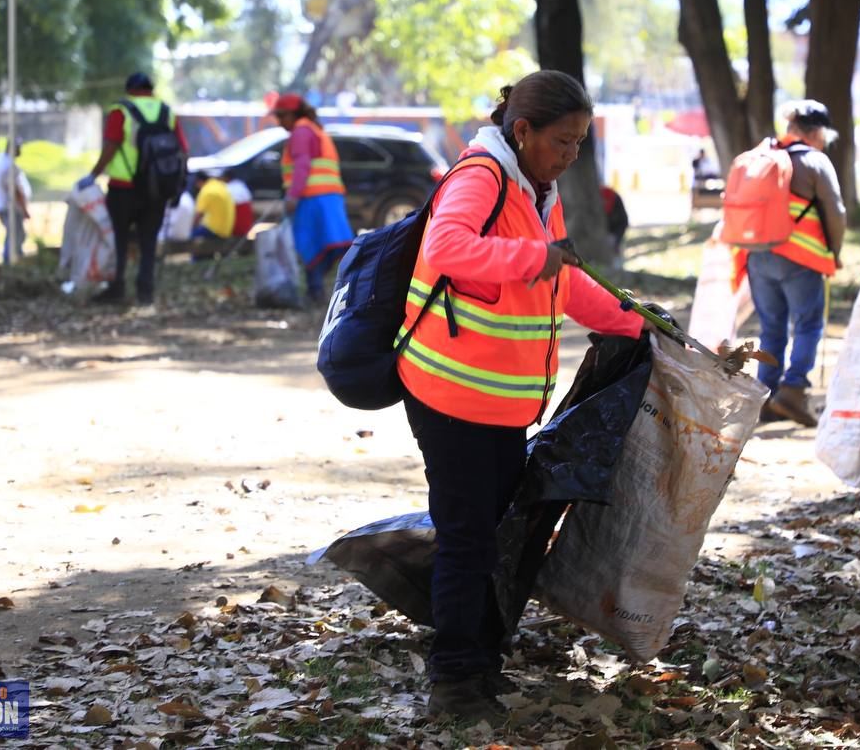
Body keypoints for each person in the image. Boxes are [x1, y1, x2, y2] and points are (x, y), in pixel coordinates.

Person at [396, 71, 644, 725]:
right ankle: (453, 678)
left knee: (490, 533)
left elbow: (563, 283)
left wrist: (637, 322)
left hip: (499, 404)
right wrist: (532, 258)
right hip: (450, 394)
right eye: (560, 141)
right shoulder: (483, 176)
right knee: (467, 535)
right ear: (523, 130)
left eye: (579, 144)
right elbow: (450, 247)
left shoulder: (540, 189)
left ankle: (480, 663)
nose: (569, 155)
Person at [746, 100, 846, 427]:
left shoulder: (764, 157)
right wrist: (835, 251)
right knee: (808, 324)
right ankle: (793, 390)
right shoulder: (815, 161)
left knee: (771, 328)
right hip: (799, 259)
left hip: (758, 257)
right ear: (817, 133)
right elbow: (836, 212)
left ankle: (765, 394)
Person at [83, 72, 189, 305]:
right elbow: (183, 149)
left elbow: (111, 145)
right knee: (148, 240)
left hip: (124, 188)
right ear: (151, 89)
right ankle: (146, 293)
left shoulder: (121, 111)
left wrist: (93, 175)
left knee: (118, 239)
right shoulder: (167, 112)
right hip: (157, 189)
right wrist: (178, 185)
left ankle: (117, 286)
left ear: (129, 89)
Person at [271, 93, 353, 302]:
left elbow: (302, 166)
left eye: (281, 116)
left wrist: (292, 196)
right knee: (333, 244)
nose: (279, 122)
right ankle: (324, 288)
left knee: (311, 246)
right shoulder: (314, 129)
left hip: (312, 199)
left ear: (292, 114)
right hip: (328, 197)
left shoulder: (301, 132)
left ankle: (316, 289)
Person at [0, 138, 31, 263]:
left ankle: (11, 260)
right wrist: (24, 208)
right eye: (19, 148)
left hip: (4, 205)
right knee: (15, 236)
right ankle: (10, 261)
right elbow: (13, 189)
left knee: (15, 234)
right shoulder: (7, 165)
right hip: (9, 207)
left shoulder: (1, 160)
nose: (21, 150)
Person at [192, 176, 235, 241]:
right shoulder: (220, 186)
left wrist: (191, 228)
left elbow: (198, 215)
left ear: (199, 182)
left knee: (189, 235)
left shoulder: (207, 191)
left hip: (214, 231)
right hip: (226, 231)